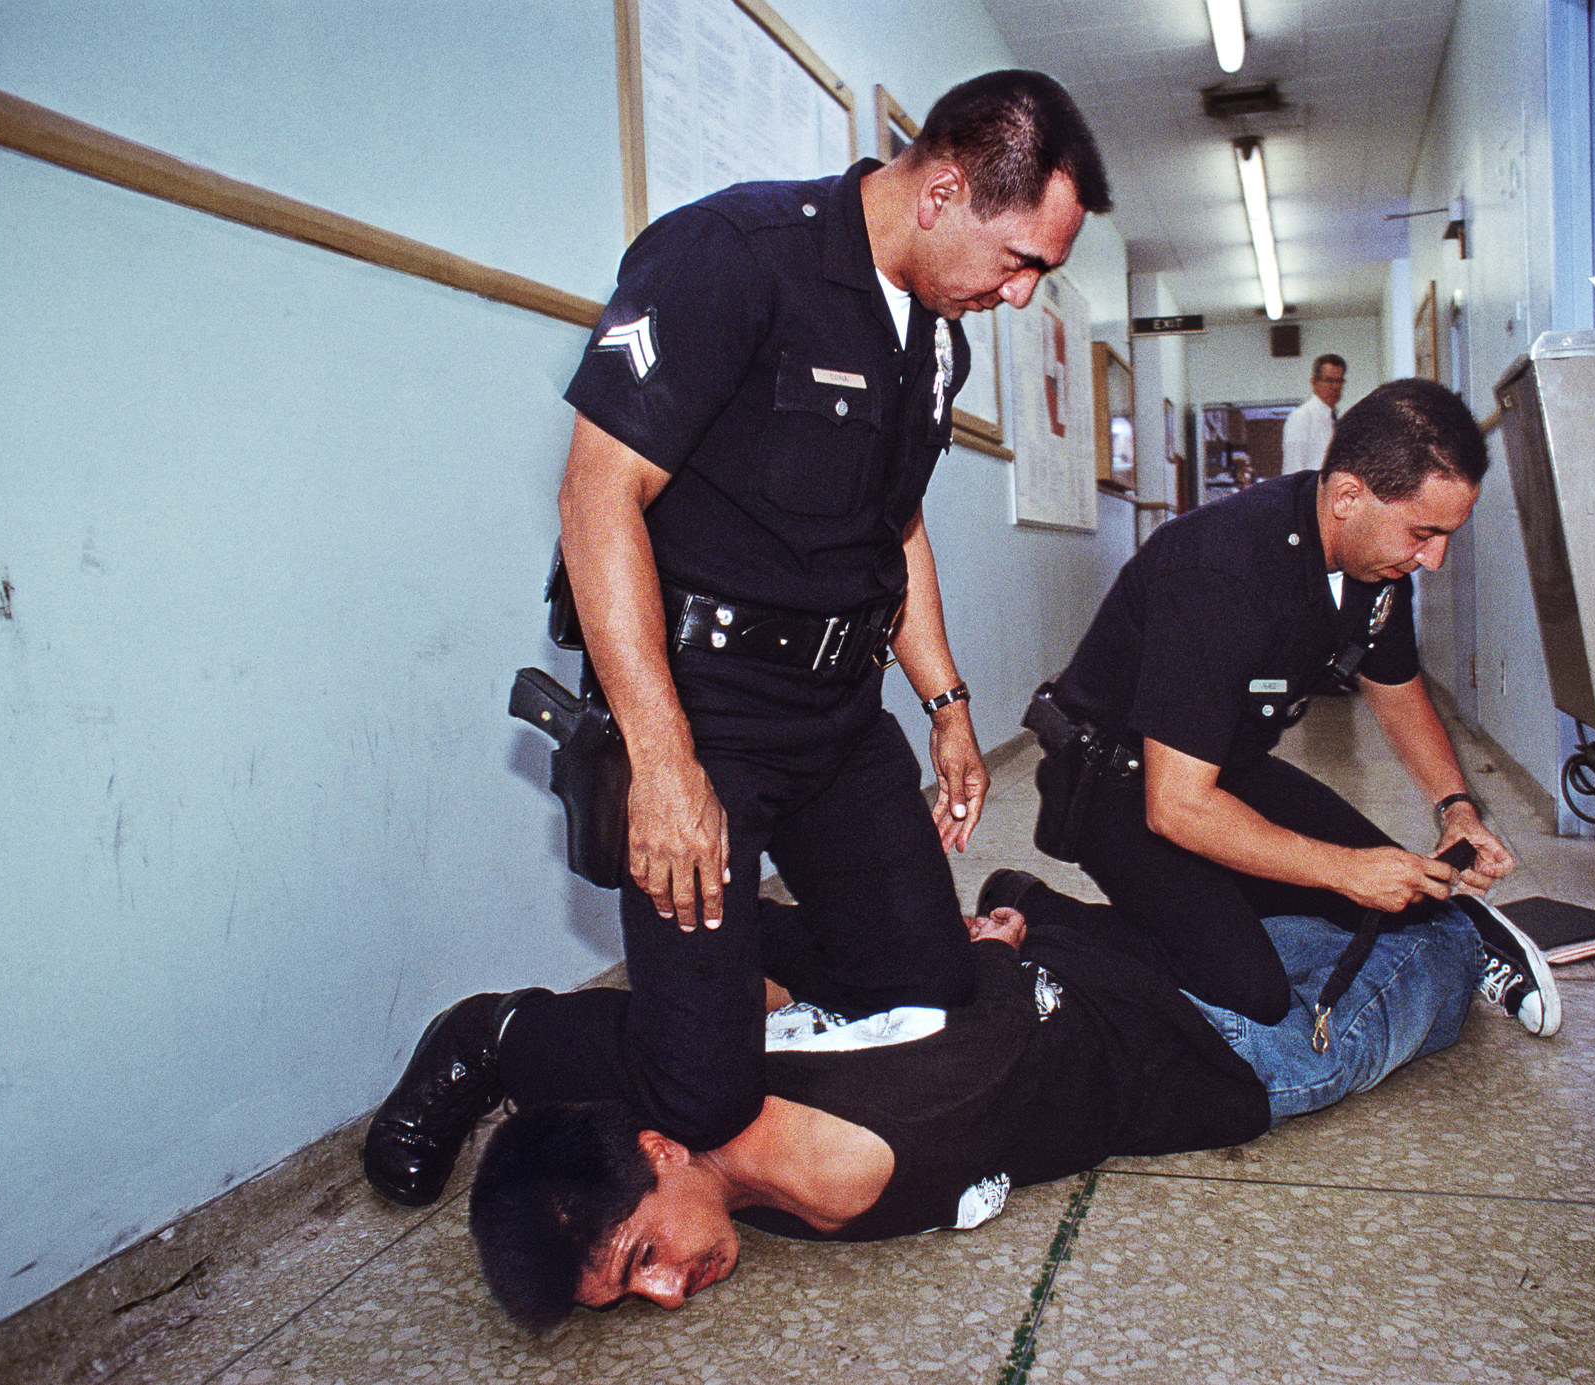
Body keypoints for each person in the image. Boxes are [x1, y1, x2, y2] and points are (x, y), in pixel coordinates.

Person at [530, 71, 1113, 1161]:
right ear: (940, 193)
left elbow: (893, 526)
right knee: (701, 1100)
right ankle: (505, 1036)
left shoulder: (939, 336)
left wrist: (943, 702)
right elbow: (593, 495)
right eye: (1023, 260)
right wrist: (660, 762)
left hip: (838, 717)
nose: (1024, 294)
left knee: (926, 996)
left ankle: (725, 956)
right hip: (705, 710)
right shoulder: (731, 255)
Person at [359, 876, 1559, 1329]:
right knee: (1258, 938)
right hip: (1071, 964)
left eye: (640, 1255)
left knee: (1347, 1027)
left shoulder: (869, 1147)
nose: (668, 1287)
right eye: (633, 1289)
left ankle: (1453, 930)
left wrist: (977, 953)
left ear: (660, 1146)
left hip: (1171, 1045)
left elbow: (970, 1030)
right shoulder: (677, 1100)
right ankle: (1361, 915)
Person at [1021, 377, 1516, 1030]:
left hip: (1224, 765)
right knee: (1248, 990)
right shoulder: (1221, 569)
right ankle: (1036, 915)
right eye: (1424, 533)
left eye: (1447, 534)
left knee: (1406, 901)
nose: (1435, 558)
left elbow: (1397, 692)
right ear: (1348, 496)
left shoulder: (1378, 565)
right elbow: (1177, 807)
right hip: (1116, 785)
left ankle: (1236, 907)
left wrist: (1456, 807)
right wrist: (1341, 870)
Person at [1281, 353, 1346, 472]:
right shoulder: (1300, 417)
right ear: (1314, 382)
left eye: (1339, 381)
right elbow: (1292, 470)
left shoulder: (1335, 420)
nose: (1335, 387)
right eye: (1329, 380)